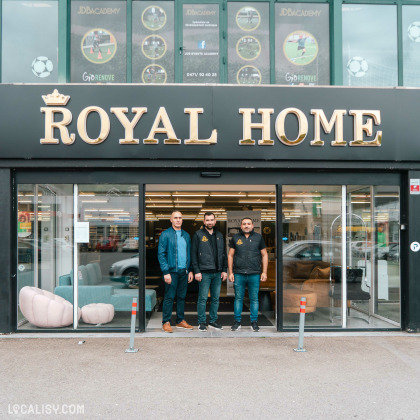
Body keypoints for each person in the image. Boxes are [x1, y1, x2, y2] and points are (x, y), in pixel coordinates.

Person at [228, 217, 268, 332]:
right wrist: (231, 272)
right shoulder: (235, 238)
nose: (246, 226)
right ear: (241, 226)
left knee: (254, 299)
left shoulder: (258, 238)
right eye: (244, 224)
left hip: (254, 273)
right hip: (239, 273)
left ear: (252, 226)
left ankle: (254, 322)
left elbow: (264, 255)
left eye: (248, 224)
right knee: (238, 298)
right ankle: (237, 322)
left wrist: (264, 272)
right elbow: (230, 255)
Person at [157, 211, 194, 333]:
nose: (178, 220)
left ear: (182, 220)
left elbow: (189, 254)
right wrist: (166, 272)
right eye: (175, 218)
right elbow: (161, 254)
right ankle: (166, 322)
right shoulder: (165, 234)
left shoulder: (186, 235)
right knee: (169, 297)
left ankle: (180, 320)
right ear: (171, 220)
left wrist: (190, 270)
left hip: (184, 271)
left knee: (181, 297)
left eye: (180, 218)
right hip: (171, 271)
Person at [191, 212, 228, 332]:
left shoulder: (219, 235)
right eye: (207, 220)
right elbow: (194, 254)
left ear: (215, 221)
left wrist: (224, 270)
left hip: (217, 272)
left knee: (216, 298)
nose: (210, 222)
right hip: (204, 272)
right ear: (204, 221)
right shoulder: (198, 234)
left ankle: (213, 321)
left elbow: (223, 254)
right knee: (202, 298)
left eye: (211, 220)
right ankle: (201, 322)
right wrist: (196, 271)